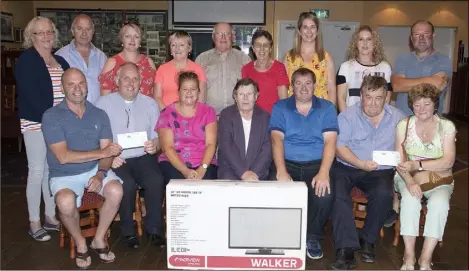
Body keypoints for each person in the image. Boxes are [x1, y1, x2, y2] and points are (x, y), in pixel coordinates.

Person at [41, 68, 123, 269]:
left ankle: (98, 239)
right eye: (71, 84)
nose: (77, 89)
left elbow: (107, 153)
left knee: (116, 190)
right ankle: (79, 241)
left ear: (87, 86)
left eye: (81, 83)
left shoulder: (99, 114)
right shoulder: (52, 116)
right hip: (64, 173)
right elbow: (63, 156)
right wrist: (101, 154)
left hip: (95, 169)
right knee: (65, 201)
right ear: (62, 88)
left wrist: (101, 173)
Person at [330, 76, 406, 270]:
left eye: (378, 98)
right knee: (338, 194)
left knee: (384, 194)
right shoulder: (347, 116)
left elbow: (407, 145)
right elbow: (339, 148)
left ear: (386, 98)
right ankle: (345, 250)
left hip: (380, 170)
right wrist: (360, 163)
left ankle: (368, 240)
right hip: (348, 164)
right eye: (368, 97)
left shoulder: (398, 118)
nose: (372, 103)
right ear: (361, 96)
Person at [269, 67, 338, 259]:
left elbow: (330, 141)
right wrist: (281, 171)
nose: (304, 88)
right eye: (298, 83)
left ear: (315, 86)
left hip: (317, 163)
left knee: (325, 195)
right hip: (287, 162)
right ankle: (284, 236)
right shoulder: (280, 107)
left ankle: (312, 237)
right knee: (273, 190)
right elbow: (277, 140)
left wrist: (324, 172)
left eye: (308, 83)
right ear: (292, 87)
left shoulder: (327, 108)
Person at [95, 62, 165, 248]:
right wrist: (109, 156)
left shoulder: (150, 104)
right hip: (117, 157)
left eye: (135, 79)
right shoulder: (103, 104)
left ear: (141, 82)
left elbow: (158, 137)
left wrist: (155, 145)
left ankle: (154, 230)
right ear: (117, 81)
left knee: (156, 180)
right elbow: (95, 136)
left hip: (143, 155)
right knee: (126, 183)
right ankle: (128, 231)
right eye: (126, 78)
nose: (131, 83)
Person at [15, 16, 70, 242]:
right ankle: (34, 222)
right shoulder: (27, 60)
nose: (46, 36)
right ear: (31, 36)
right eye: (40, 33)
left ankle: (49, 216)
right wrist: (52, 121)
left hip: (58, 126)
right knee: (37, 171)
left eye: (49, 31)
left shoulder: (61, 62)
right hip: (37, 124)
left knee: (52, 172)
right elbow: (31, 95)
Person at [394, 83, 456, 270]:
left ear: (435, 105)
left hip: (439, 178)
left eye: (426, 104)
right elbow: (399, 162)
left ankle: (425, 258)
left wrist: (418, 165)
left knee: (440, 204)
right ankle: (409, 255)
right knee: (411, 199)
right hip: (407, 176)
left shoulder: (447, 126)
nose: (421, 109)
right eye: (417, 104)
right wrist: (411, 181)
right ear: (411, 105)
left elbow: (448, 162)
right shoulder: (403, 125)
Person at [156, 71, 218, 183]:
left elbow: (211, 144)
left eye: (193, 89)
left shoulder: (208, 112)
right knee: (179, 187)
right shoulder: (166, 113)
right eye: (185, 89)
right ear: (178, 92)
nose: (189, 92)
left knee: (207, 185)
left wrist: (202, 169)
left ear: (199, 92)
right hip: (174, 163)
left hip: (204, 162)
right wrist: (185, 171)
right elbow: (168, 147)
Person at [391, 20, 452, 117]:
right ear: (411, 38)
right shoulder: (402, 59)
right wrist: (430, 80)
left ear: (433, 36)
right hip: (403, 122)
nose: (421, 38)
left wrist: (406, 83)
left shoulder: (443, 60)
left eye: (426, 33)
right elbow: (397, 85)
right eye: (417, 34)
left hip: (431, 124)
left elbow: (438, 84)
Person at [218, 78, 272, 180]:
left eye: (249, 94)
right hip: (231, 171)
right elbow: (226, 146)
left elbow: (267, 148)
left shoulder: (265, 116)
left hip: (257, 172)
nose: (245, 98)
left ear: (256, 96)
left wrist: (254, 173)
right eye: (241, 94)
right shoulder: (226, 115)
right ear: (235, 97)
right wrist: (243, 173)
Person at [196, 22, 251, 115]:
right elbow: (194, 89)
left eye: (227, 34)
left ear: (232, 37)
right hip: (209, 117)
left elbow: (251, 89)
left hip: (237, 116)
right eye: (219, 34)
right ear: (213, 37)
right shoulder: (202, 59)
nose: (223, 37)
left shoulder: (244, 59)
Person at [283, 11, 336, 105]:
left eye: (313, 27)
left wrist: (330, 113)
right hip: (295, 110)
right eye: (305, 27)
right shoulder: (289, 57)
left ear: (317, 30)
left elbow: (331, 89)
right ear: (299, 31)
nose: (309, 31)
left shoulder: (325, 57)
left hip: (320, 111)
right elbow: (283, 88)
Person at [336, 25, 392, 112]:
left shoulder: (385, 67)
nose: (365, 43)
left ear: (374, 43)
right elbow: (341, 99)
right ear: (356, 43)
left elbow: (387, 98)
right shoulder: (345, 67)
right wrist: (347, 120)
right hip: (352, 119)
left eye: (369, 39)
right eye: (361, 39)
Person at [55, 14, 107, 105]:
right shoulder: (60, 56)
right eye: (79, 28)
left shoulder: (102, 57)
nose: (84, 33)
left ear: (93, 31)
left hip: (97, 112)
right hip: (70, 114)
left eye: (88, 29)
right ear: (72, 31)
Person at [99, 23, 156, 97]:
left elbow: (155, 94)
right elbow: (105, 98)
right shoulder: (112, 63)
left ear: (140, 40)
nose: (132, 40)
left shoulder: (149, 63)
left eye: (136, 37)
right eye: (128, 36)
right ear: (121, 39)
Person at [154, 30, 207, 110]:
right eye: (173, 45)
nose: (177, 49)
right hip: (167, 117)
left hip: (191, 117)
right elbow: (157, 97)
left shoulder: (198, 69)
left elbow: (201, 99)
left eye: (181, 45)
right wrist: (169, 115)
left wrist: (188, 116)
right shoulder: (162, 69)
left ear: (189, 48)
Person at [242, 30, 289, 114]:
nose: (262, 49)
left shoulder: (279, 68)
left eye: (266, 45)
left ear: (270, 48)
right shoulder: (246, 69)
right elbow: (245, 99)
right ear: (253, 48)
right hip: (253, 119)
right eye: (258, 45)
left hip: (274, 119)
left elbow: (283, 101)